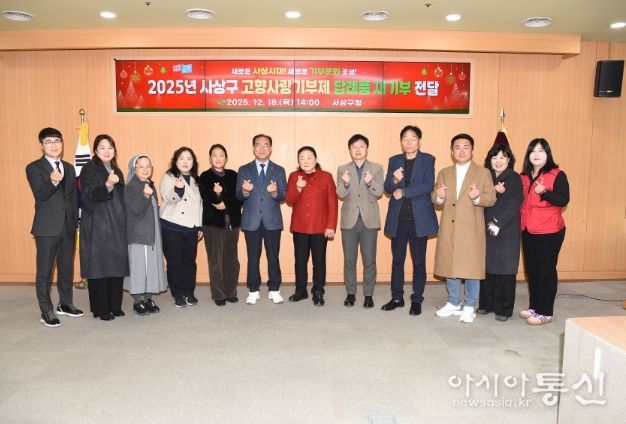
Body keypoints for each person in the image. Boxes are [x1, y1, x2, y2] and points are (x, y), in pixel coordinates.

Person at [433, 133, 496, 323]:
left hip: (471, 227)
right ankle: (453, 302)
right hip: (449, 226)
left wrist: (477, 197)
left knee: (471, 268)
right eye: (457, 147)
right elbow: (435, 198)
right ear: (452, 151)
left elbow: (491, 198)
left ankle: (469, 305)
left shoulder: (483, 173)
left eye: (466, 147)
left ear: (472, 150)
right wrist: (440, 196)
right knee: (450, 265)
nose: (461, 151)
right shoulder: (444, 172)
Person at [26, 127, 83, 327]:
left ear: (62, 144)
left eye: (57, 141)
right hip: (46, 228)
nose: (54, 145)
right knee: (45, 272)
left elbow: (72, 198)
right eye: (49, 142)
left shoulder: (69, 168)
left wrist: (75, 222)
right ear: (42, 145)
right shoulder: (34, 167)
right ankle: (46, 311)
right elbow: (40, 194)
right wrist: (51, 181)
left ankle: (65, 304)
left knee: (66, 269)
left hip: (68, 226)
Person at [382, 125, 439, 316]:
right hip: (398, 219)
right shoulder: (394, 160)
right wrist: (394, 180)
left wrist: (405, 191)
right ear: (401, 142)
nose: (409, 142)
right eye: (405, 138)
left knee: (419, 262)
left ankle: (417, 299)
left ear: (419, 141)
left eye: (413, 138)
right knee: (397, 261)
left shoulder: (427, 159)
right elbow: (387, 188)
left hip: (418, 220)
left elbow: (428, 185)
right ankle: (397, 298)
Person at [519, 138, 569, 325]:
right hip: (527, 228)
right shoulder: (524, 176)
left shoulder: (557, 175)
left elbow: (563, 199)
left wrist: (545, 192)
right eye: (533, 151)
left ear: (547, 154)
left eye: (541, 150)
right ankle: (534, 306)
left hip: (549, 231)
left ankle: (546, 312)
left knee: (546, 271)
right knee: (532, 270)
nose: (536, 154)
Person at [79, 134, 128, 321]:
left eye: (110, 147)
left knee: (116, 265)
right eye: (102, 147)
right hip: (98, 224)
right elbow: (89, 194)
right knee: (99, 267)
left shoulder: (117, 170)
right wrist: (107, 184)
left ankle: (115, 306)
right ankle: (100, 309)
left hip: (117, 224)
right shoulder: (89, 169)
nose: (107, 151)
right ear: (95, 150)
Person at [236, 134, 287, 305]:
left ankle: (274, 289)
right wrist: (245, 191)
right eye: (258, 145)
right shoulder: (244, 169)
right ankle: (253, 289)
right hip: (251, 219)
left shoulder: (279, 170)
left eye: (266, 145)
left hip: (272, 220)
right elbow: (238, 196)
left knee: (273, 256)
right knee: (253, 257)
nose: (262, 148)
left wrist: (275, 192)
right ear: (253, 148)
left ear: (270, 149)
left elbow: (283, 195)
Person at [336, 134, 384, 308]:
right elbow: (340, 193)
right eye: (354, 147)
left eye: (361, 146)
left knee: (369, 259)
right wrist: (345, 184)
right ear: (350, 150)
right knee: (349, 259)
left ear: (367, 148)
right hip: (349, 220)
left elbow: (379, 192)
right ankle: (351, 293)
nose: (358, 150)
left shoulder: (376, 168)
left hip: (369, 219)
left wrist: (371, 182)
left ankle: (368, 294)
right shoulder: (343, 169)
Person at [286, 146, 338, 306]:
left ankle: (318, 291)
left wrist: (331, 225)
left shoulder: (326, 176)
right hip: (300, 226)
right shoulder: (294, 176)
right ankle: (300, 290)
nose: (306, 161)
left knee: (319, 261)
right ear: (298, 161)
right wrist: (298, 187)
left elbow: (333, 203)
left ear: (315, 160)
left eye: (309, 157)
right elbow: (289, 200)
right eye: (302, 158)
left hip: (320, 227)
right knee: (300, 261)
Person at [478, 140, 523, 321]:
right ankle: (486, 304)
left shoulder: (514, 178)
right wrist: (495, 192)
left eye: (503, 158)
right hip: (486, 228)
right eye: (494, 157)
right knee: (487, 268)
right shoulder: (486, 177)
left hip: (506, 230)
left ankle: (503, 309)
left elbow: (514, 203)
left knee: (505, 268)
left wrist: (497, 222)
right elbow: (480, 200)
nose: (498, 161)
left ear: (509, 160)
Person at [123, 154, 167, 315]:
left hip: (152, 234)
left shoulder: (149, 184)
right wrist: (146, 195)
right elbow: (137, 210)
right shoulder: (130, 187)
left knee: (151, 268)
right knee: (138, 268)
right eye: (141, 166)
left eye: (148, 166)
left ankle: (148, 298)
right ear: (134, 169)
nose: (145, 169)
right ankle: (137, 301)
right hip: (138, 235)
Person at [199, 144, 242, 306]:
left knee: (232, 260)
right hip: (213, 225)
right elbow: (207, 197)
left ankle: (231, 292)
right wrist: (217, 194)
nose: (218, 158)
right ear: (210, 158)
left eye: (221, 155)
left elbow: (239, 198)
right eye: (214, 155)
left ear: (226, 158)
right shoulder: (205, 176)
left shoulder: (233, 175)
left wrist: (226, 204)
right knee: (215, 261)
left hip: (233, 224)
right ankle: (218, 294)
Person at [160, 147, 203, 308]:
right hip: (172, 226)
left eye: (189, 158)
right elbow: (167, 198)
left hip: (191, 227)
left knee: (190, 263)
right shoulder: (169, 176)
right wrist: (178, 189)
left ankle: (189, 292)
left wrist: (200, 226)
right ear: (175, 161)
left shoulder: (196, 179)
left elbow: (200, 204)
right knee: (174, 263)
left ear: (193, 162)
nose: (185, 162)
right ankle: (177, 294)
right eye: (181, 158)